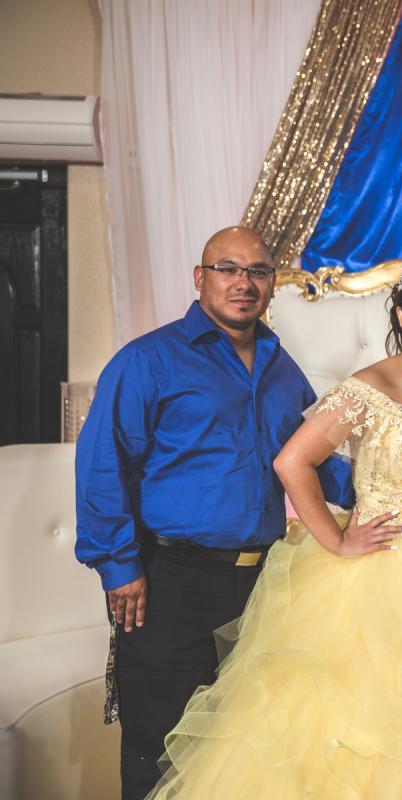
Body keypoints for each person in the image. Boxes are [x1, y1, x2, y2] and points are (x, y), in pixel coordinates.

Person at [149, 252, 402, 798]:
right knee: (379, 726)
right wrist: (335, 539)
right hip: (384, 571)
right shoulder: (368, 388)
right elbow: (292, 462)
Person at [74, 226, 353, 799]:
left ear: (272, 284)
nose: (243, 282)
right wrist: (119, 566)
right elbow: (103, 462)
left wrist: (394, 489)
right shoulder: (148, 360)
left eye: (258, 271)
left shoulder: (281, 365)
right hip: (168, 581)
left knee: (242, 747)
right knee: (160, 745)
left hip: (262, 584)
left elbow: (310, 457)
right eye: (228, 269)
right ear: (200, 278)